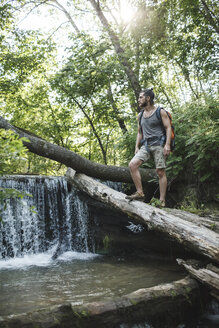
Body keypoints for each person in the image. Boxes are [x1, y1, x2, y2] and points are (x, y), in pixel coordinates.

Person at [126, 88, 171, 207]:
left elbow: (168, 128)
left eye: (141, 97)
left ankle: (162, 201)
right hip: (145, 145)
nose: (138, 100)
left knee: (160, 172)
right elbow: (139, 132)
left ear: (148, 98)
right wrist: (136, 146)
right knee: (132, 165)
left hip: (159, 144)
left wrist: (167, 144)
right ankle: (140, 192)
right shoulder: (140, 115)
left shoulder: (160, 111)